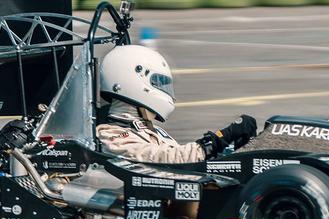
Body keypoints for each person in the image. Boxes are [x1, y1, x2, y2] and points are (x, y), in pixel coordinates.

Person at [96, 44, 257, 163]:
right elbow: (168, 158)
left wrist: (229, 150)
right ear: (131, 82)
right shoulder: (112, 135)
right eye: (157, 82)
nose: (163, 89)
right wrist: (221, 138)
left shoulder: (151, 130)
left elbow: (186, 160)